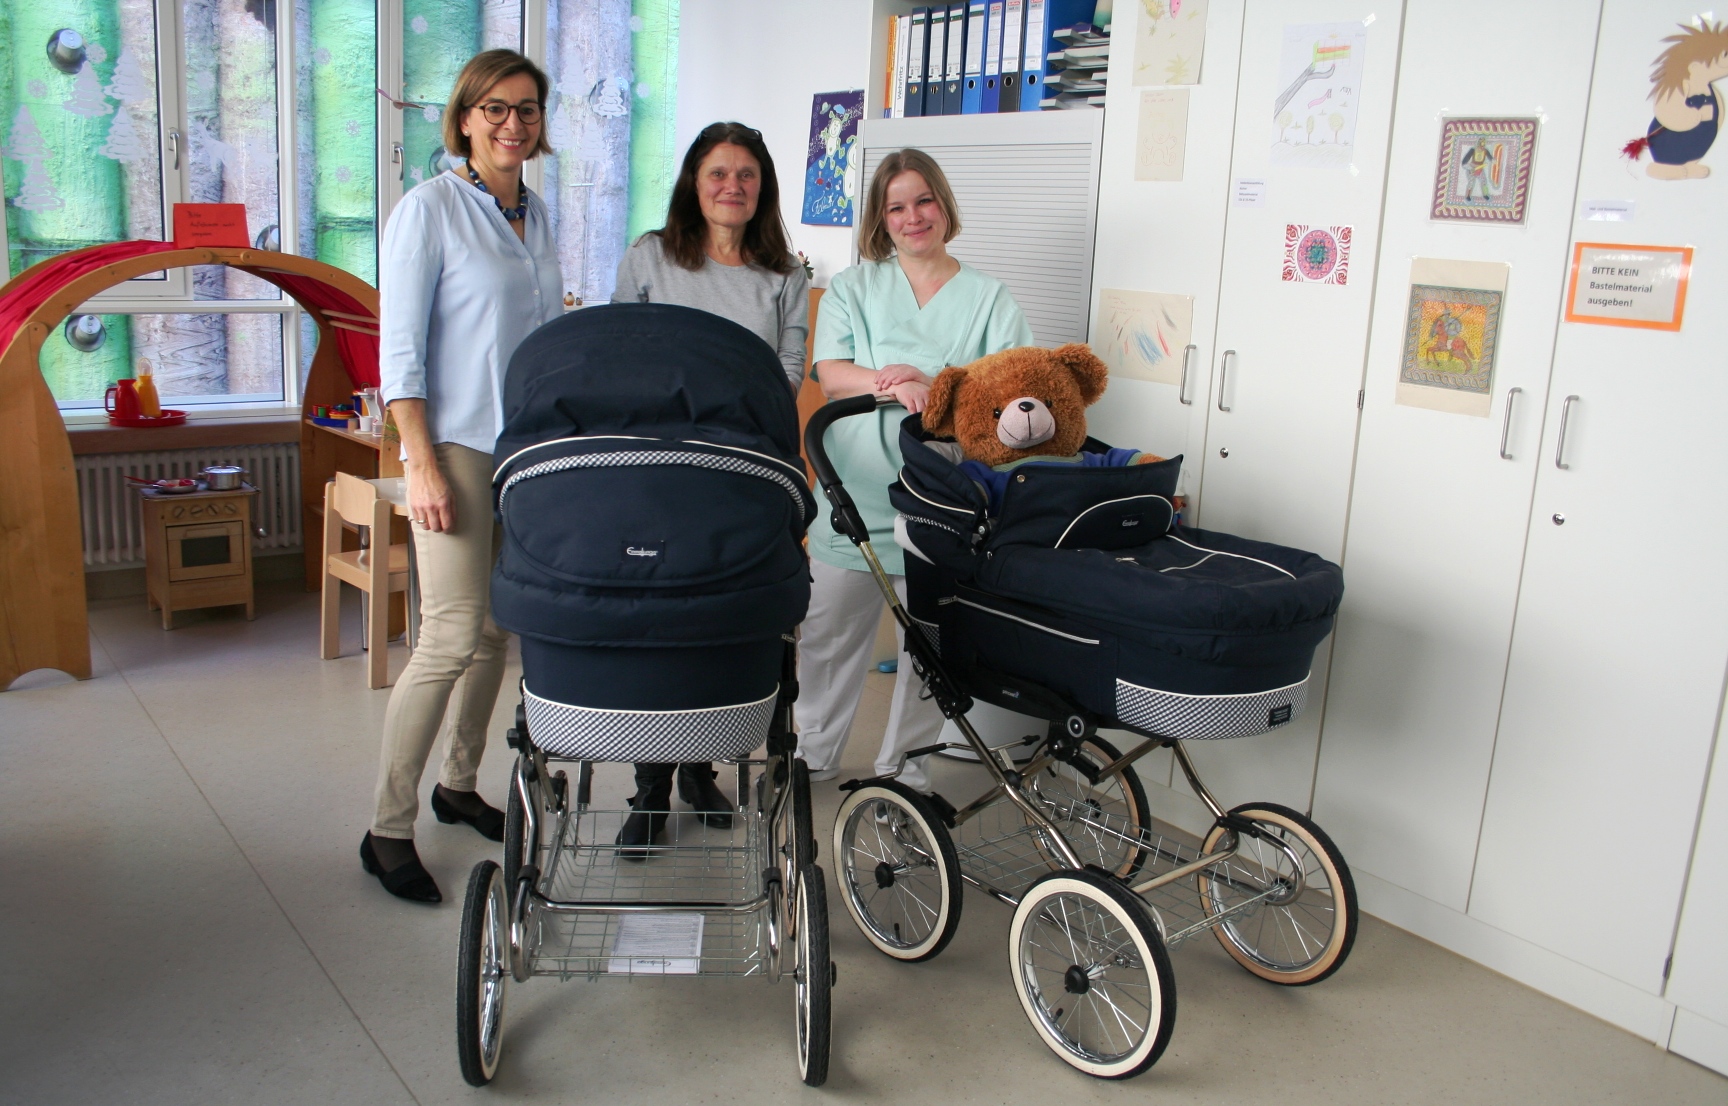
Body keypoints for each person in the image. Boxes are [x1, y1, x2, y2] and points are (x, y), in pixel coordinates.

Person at [365, 49, 562, 903]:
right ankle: (386, 828)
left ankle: (457, 783)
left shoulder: (537, 215)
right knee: (448, 636)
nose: (513, 124)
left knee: (493, 634)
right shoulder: (430, 209)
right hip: (452, 447)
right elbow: (400, 352)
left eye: (527, 109)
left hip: (524, 452)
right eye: (496, 109)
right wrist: (419, 465)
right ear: (466, 118)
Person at [796, 148, 1032, 793]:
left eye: (924, 200)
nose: (912, 217)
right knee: (826, 640)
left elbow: (1007, 395)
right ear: (881, 218)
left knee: (928, 653)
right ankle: (812, 757)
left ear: (943, 205)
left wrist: (934, 383)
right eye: (896, 206)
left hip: (941, 503)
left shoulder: (989, 299)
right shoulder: (853, 288)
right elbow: (829, 373)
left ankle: (904, 775)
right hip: (852, 494)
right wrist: (890, 381)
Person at [610, 121, 810, 854]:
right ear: (694, 182)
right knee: (661, 626)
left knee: (722, 620)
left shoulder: (785, 272)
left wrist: (727, 420)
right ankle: (650, 790)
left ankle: (700, 770)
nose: (732, 186)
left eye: (746, 174)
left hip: (741, 471)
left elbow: (788, 372)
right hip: (659, 472)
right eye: (718, 173)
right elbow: (620, 356)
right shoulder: (651, 256)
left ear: (763, 188)